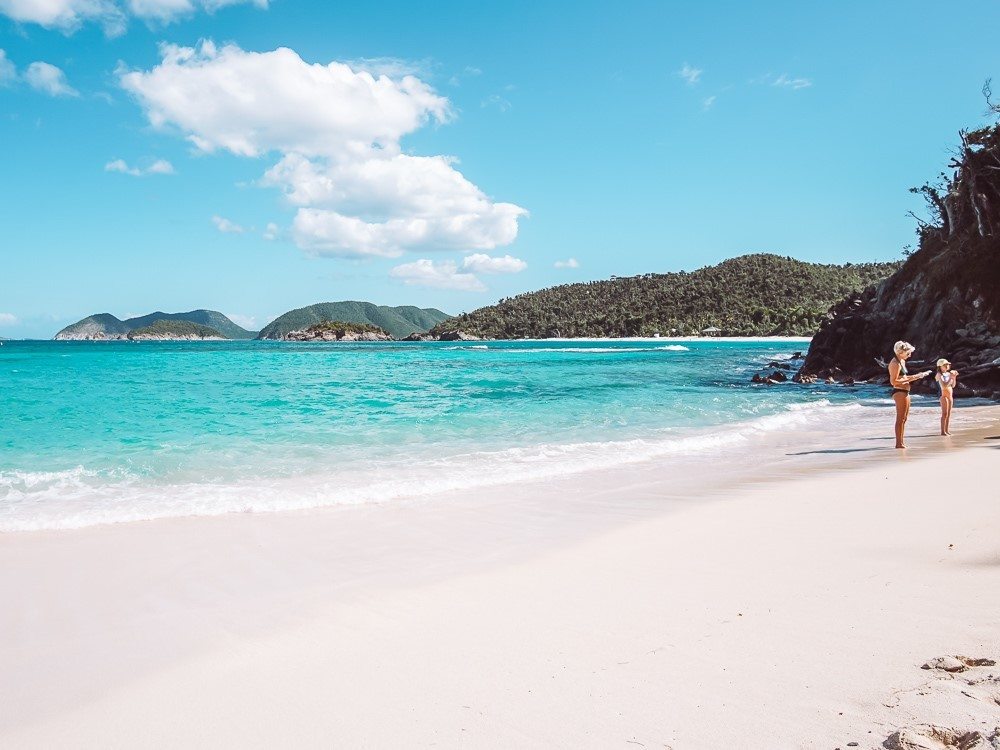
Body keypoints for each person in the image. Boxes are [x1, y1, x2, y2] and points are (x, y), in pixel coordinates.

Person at [888, 341, 931, 449]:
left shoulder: (901, 361)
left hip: (905, 391)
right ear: (901, 352)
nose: (910, 355)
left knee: (904, 418)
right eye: (908, 353)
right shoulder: (895, 363)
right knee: (900, 419)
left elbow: (904, 377)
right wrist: (916, 376)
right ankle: (899, 444)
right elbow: (894, 381)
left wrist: (918, 376)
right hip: (899, 392)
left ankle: (901, 442)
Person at [934, 358, 959, 436]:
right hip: (943, 395)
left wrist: (954, 377)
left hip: (950, 395)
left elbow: (953, 385)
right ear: (941, 366)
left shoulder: (948, 374)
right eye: (946, 365)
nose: (948, 366)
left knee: (948, 414)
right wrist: (951, 378)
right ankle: (942, 431)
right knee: (944, 414)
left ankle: (947, 430)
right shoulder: (939, 374)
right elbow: (944, 385)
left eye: (948, 365)